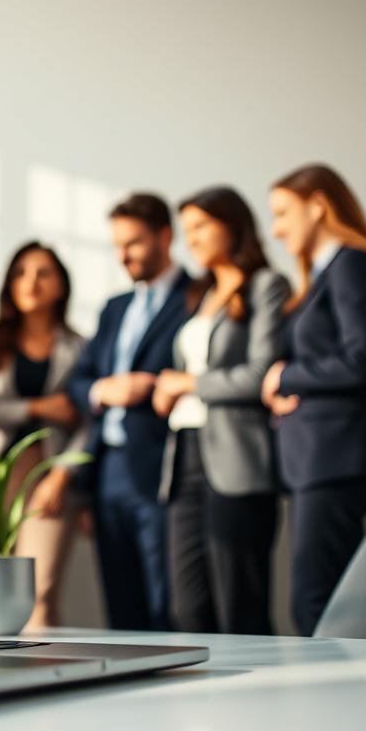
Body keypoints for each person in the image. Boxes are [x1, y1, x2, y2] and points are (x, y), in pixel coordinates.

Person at [260, 163, 366, 636]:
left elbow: (358, 360)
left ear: (318, 205)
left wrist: (287, 375)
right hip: (317, 460)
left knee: (316, 603)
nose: (276, 229)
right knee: (321, 600)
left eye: (283, 213)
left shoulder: (353, 266)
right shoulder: (323, 276)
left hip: (335, 458)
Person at [152, 187, 289, 635]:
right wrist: (167, 390)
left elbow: (261, 373)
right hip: (185, 456)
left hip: (236, 458)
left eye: (201, 226)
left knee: (240, 607)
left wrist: (188, 383)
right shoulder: (201, 295)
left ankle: (257, 701)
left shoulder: (266, 285)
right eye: (186, 229)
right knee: (189, 607)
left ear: (232, 225)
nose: (191, 239)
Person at [67, 193, 191, 631]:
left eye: (134, 243)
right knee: (120, 604)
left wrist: (152, 384)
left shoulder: (197, 297)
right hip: (108, 470)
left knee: (166, 602)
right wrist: (106, 390)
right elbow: (79, 382)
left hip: (163, 465)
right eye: (117, 245)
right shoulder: (115, 307)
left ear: (164, 236)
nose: (123, 256)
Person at [0, 242, 86, 629]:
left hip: (50, 476)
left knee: (39, 592)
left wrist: (63, 475)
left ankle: (45, 683)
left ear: (61, 286)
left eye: (43, 273)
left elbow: (87, 420)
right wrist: (36, 408)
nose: (31, 282)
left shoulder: (80, 347)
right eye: (21, 273)